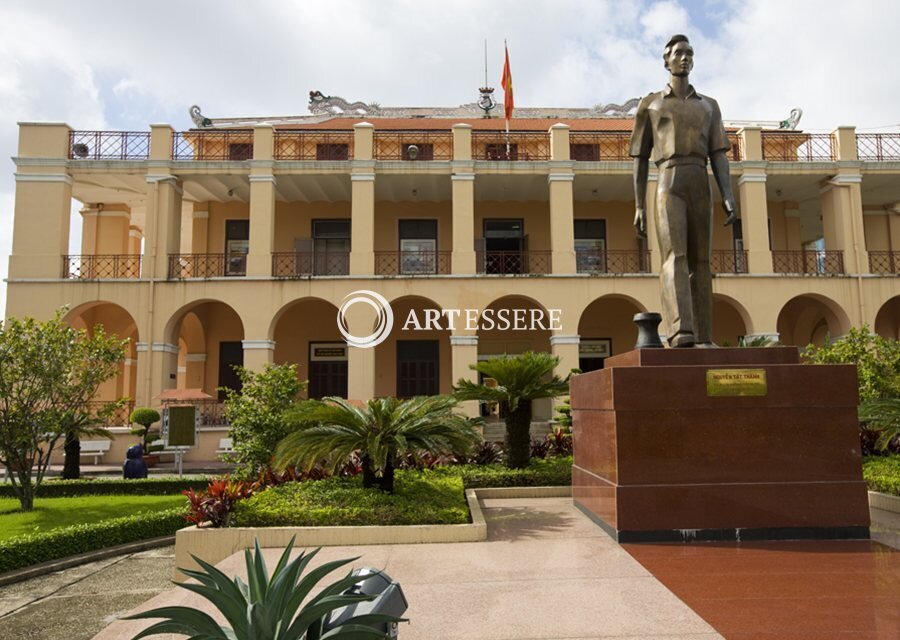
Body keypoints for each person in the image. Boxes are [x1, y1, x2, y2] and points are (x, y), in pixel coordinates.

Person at [630, 34, 737, 348]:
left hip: (699, 178)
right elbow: (639, 157)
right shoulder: (651, 104)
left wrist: (728, 193)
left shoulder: (709, 106)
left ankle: (704, 334)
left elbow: (719, 154)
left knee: (701, 260)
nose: (685, 58)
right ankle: (681, 331)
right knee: (675, 255)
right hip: (667, 178)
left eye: (689, 53)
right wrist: (638, 205)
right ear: (666, 61)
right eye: (678, 53)